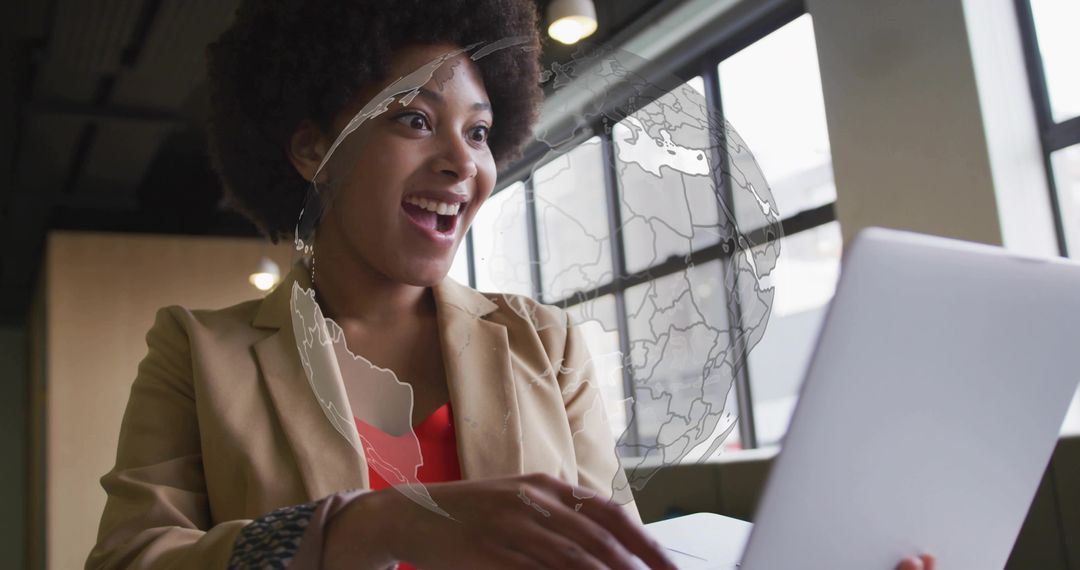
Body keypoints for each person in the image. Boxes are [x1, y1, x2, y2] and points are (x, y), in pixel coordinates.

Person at [87, 1, 936, 568]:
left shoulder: (546, 343)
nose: (463, 163)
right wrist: (365, 525)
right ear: (313, 150)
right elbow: (134, 557)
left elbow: (618, 556)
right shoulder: (199, 352)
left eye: (482, 132)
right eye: (414, 120)